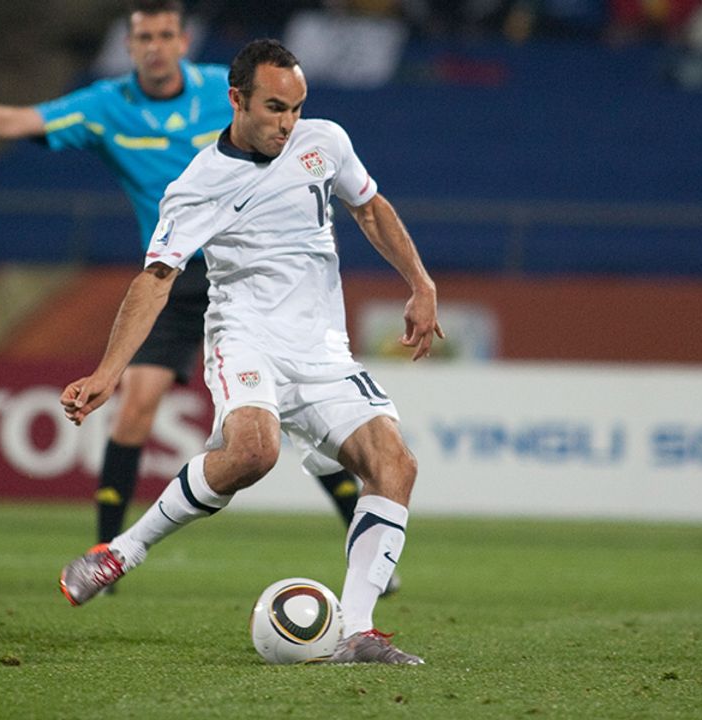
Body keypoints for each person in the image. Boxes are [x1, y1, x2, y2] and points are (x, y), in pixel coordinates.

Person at [0, 0, 372, 574]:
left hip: (246, 277)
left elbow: (298, 135)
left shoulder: (228, 91)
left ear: (184, 41)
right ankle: (106, 552)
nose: (156, 46)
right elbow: (23, 122)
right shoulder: (106, 107)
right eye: (145, 37)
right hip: (172, 279)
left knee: (294, 414)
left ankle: (361, 549)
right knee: (136, 408)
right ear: (130, 45)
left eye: (166, 34)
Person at [59, 39, 443, 664]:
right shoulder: (197, 186)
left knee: (394, 465)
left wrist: (421, 284)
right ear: (236, 101)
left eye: (295, 108)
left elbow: (370, 208)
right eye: (273, 108)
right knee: (254, 452)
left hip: (321, 347)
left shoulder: (325, 141)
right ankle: (120, 552)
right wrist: (110, 370)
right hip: (246, 336)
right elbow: (155, 280)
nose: (287, 124)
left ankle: (360, 633)